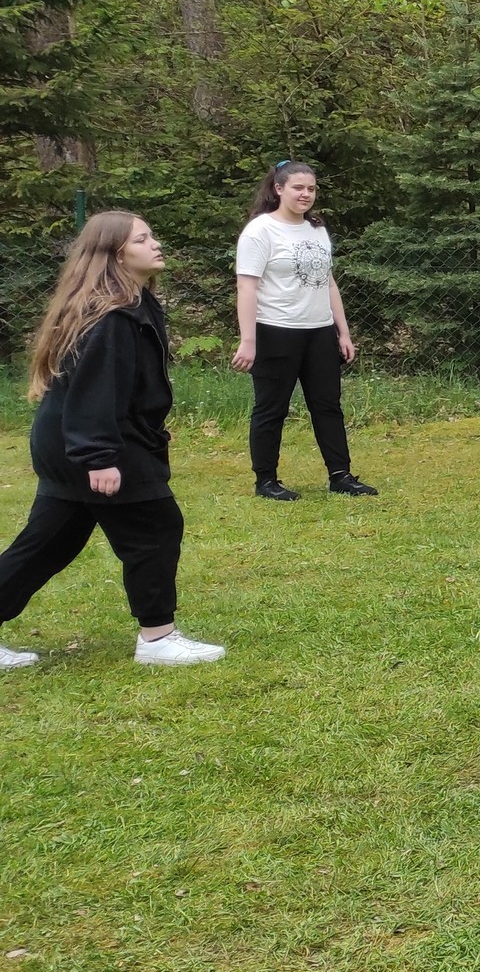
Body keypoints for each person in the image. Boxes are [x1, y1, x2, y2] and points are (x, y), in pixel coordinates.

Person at [0, 212, 226, 670]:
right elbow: (95, 390)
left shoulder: (132, 303)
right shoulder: (112, 317)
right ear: (116, 254)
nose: (155, 243)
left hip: (74, 442)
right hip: (94, 443)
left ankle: (157, 636)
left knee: (48, 543)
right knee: (155, 528)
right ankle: (157, 638)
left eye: (151, 235)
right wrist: (98, 457)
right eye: (142, 239)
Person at [232, 161, 374, 500]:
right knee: (271, 409)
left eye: (311, 188)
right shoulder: (260, 231)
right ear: (278, 188)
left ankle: (341, 476)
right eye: (298, 188)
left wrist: (343, 332)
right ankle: (266, 481)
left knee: (328, 405)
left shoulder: (316, 229)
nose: (305, 194)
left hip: (319, 333)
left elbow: (328, 282)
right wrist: (249, 340)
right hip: (276, 331)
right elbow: (246, 287)